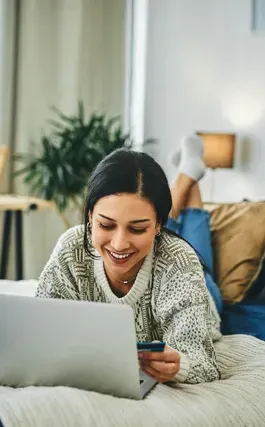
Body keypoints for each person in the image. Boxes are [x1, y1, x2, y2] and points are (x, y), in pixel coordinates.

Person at [35, 135, 222, 384]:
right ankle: (189, 172)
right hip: (158, 250)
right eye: (106, 224)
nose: (119, 243)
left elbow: (204, 364)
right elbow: (39, 327)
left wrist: (180, 366)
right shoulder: (72, 247)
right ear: (90, 215)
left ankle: (188, 174)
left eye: (137, 228)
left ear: (157, 226)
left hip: (201, 291)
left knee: (196, 254)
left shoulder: (180, 262)